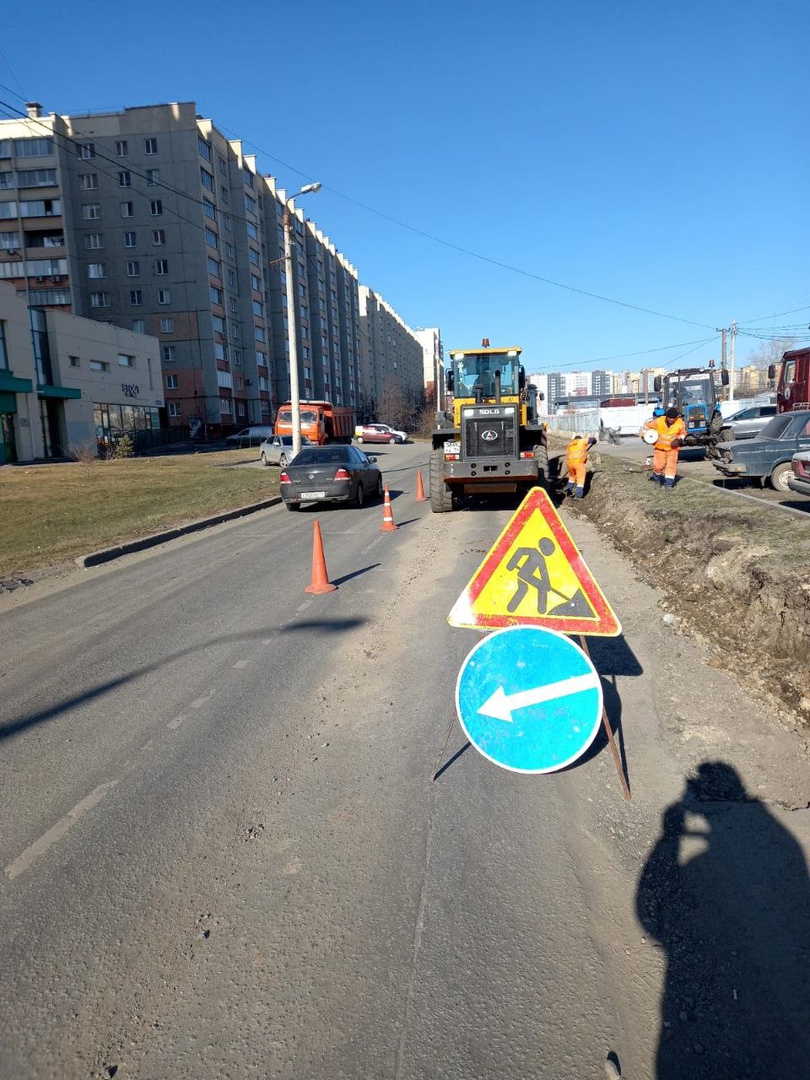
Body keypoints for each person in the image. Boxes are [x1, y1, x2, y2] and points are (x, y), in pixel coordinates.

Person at [640, 406, 687, 489]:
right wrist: (644, 436)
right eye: (670, 418)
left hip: (672, 449)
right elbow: (646, 427)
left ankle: (668, 484)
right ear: (666, 416)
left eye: (674, 418)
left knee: (671, 466)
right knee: (658, 466)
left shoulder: (680, 423)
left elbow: (683, 433)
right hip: (659, 448)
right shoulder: (659, 421)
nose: (672, 420)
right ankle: (657, 480)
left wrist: (679, 439)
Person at [565, 434, 597, 499]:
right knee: (580, 479)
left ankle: (569, 492)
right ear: (580, 438)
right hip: (579, 463)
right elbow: (592, 439)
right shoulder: (581, 441)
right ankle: (578, 495)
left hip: (570, 463)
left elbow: (568, 455)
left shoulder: (570, 445)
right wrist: (594, 441)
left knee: (571, 478)